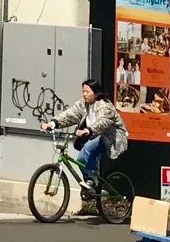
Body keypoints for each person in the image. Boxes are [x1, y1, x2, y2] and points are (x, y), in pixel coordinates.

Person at [42, 78, 128, 206]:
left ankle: (91, 180)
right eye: (83, 91)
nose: (84, 94)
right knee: (84, 157)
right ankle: (91, 180)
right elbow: (70, 114)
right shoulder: (84, 104)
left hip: (111, 137)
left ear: (96, 93)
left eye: (87, 92)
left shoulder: (105, 105)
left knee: (86, 150)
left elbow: (103, 122)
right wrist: (52, 123)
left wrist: (88, 130)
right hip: (93, 135)